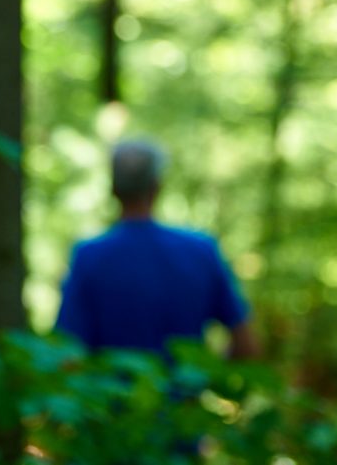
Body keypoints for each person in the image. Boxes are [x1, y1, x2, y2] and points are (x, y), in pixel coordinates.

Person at [55, 140, 258, 360]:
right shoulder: (201, 250)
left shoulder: (88, 256)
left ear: (113, 189)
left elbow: (67, 353)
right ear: (157, 186)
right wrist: (206, 375)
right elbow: (246, 345)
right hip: (186, 393)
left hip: (109, 393)